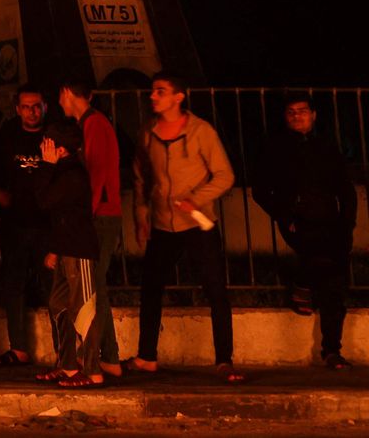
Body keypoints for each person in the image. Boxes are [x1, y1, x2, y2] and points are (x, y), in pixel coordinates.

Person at [128, 73, 242, 382]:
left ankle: (224, 360)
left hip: (197, 223)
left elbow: (224, 175)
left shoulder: (200, 131)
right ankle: (146, 356)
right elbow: (141, 176)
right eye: (153, 91)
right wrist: (141, 215)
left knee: (215, 289)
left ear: (179, 97)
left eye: (160, 91)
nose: (153, 96)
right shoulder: (148, 132)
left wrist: (195, 199)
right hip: (163, 225)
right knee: (150, 288)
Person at [252, 92, 357, 370]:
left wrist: (347, 223)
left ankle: (331, 349)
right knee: (324, 268)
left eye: (303, 110)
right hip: (297, 219)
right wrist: (284, 215)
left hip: (329, 219)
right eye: (291, 112)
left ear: (313, 114)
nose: (298, 116)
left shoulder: (326, 146)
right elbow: (260, 190)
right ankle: (303, 285)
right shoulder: (276, 148)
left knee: (333, 284)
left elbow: (345, 189)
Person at [56, 79, 123, 377]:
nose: (59, 104)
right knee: (95, 284)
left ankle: (107, 356)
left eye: (60, 97)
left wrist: (86, 213)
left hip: (101, 214)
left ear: (68, 93)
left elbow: (96, 172)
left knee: (94, 284)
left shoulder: (93, 124)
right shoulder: (93, 123)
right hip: (102, 212)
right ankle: (107, 357)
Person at [0, 83, 50, 367]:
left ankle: (65, 348)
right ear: (17, 109)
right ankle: (18, 348)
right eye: (26, 107)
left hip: (47, 224)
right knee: (14, 285)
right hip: (15, 223)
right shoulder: (6, 136)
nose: (32, 112)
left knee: (51, 287)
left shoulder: (54, 134)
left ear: (44, 107)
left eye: (36, 106)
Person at [32, 119, 103, 387]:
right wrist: (54, 250)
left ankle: (93, 370)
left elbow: (44, 201)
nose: (42, 146)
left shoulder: (72, 173)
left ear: (59, 149)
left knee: (83, 308)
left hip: (79, 250)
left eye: (47, 142)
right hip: (65, 250)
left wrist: (46, 166)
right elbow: (58, 215)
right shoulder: (62, 171)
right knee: (59, 305)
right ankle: (68, 365)